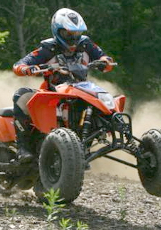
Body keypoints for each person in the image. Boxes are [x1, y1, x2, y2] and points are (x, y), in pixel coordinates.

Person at [12, 8, 114, 162]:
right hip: (53, 93)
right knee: (21, 95)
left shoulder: (85, 44)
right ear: (57, 32)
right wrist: (28, 69)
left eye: (76, 34)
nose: (73, 39)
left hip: (82, 90)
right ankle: (23, 148)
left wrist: (105, 62)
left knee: (107, 101)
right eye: (68, 34)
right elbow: (19, 65)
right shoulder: (47, 49)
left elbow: (105, 58)